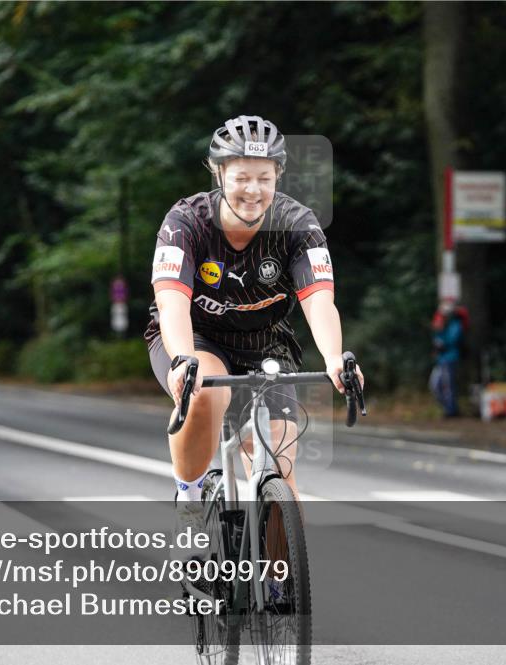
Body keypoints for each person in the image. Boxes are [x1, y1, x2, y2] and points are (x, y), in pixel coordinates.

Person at [144, 114, 365, 542]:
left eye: (264, 178)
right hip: (197, 337)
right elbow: (171, 301)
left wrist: (336, 358)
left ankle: (281, 588)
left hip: (267, 343)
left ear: (278, 175)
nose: (253, 190)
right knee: (208, 393)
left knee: (279, 465)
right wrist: (181, 358)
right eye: (242, 177)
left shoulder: (298, 225)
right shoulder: (185, 222)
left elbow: (319, 300)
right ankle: (189, 503)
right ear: (219, 173)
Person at [430, 297, 467, 417]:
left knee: (448, 386)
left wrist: (442, 343)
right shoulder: (441, 324)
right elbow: (437, 339)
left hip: (450, 358)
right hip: (441, 359)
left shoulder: (456, 324)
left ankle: (451, 411)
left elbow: (453, 340)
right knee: (435, 385)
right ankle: (448, 408)